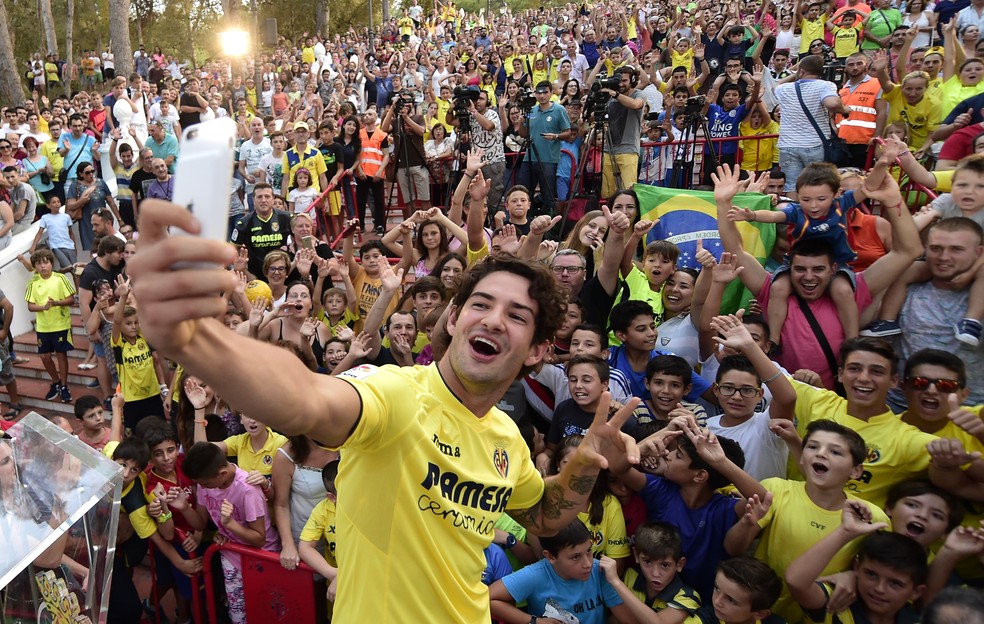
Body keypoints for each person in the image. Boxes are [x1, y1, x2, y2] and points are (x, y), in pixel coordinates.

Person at [130, 202, 642, 622]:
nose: (492, 320)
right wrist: (198, 341)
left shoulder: (507, 436)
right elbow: (305, 397)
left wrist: (585, 461)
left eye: (517, 315)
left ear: (536, 351)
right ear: (455, 317)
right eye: (481, 304)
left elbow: (542, 515)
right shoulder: (396, 393)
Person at [713, 163, 922, 389]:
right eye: (800, 269)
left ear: (834, 269)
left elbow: (908, 251)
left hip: (833, 399)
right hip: (777, 398)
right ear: (788, 268)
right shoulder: (773, 289)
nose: (809, 277)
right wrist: (723, 203)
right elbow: (735, 250)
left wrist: (894, 201)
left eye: (818, 269)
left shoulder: (854, 289)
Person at [182, 442, 280, 624]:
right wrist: (184, 507)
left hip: (262, 559)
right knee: (238, 615)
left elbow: (259, 539)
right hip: (231, 556)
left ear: (222, 474)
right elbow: (200, 524)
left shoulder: (248, 490)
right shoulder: (205, 484)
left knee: (266, 612)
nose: (203, 488)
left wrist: (230, 525)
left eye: (205, 484)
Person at [785, 504, 926, 624]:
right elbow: (795, 581)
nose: (879, 589)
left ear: (916, 592)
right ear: (857, 567)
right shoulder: (837, 601)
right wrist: (845, 532)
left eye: (895, 583)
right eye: (871, 575)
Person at [488, 519, 633, 624]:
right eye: (575, 557)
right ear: (551, 556)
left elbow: (627, 620)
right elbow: (490, 598)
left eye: (589, 551)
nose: (588, 564)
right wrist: (534, 621)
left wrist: (615, 581)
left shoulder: (600, 570)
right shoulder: (536, 574)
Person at [773, 55, 851, 200]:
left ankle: (794, 213)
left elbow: (775, 85)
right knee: (816, 183)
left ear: (801, 70)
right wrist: (845, 110)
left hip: (787, 145)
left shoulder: (784, 88)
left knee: (792, 185)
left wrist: (796, 73)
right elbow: (833, 103)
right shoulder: (825, 85)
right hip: (813, 145)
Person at [24, 249, 75, 403]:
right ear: (35, 266)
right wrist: (43, 307)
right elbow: (30, 306)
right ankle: (56, 382)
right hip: (43, 327)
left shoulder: (60, 278)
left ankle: (64, 386)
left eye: (45, 262)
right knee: (44, 356)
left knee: (61, 355)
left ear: (51, 264)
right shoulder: (33, 283)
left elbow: (71, 299)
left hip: (61, 324)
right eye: (39, 263)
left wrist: (56, 303)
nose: (43, 266)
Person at [519, 80, 573, 216]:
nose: (542, 96)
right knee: (524, 192)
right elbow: (524, 134)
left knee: (548, 195)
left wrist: (555, 136)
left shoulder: (559, 110)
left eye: (545, 92)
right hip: (529, 157)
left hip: (549, 159)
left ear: (551, 93)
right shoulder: (531, 110)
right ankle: (526, 219)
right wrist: (520, 123)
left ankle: (551, 221)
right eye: (539, 93)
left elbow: (568, 132)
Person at [231, 183, 292, 280]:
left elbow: (301, 240)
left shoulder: (286, 218)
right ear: (253, 200)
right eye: (259, 197)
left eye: (267, 196)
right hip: (255, 277)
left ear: (273, 199)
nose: (263, 200)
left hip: (283, 275)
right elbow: (232, 249)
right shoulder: (244, 223)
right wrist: (246, 273)